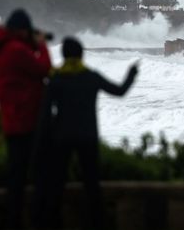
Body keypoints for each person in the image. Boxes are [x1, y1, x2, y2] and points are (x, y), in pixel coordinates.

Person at [37, 37, 138, 229]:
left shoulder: (55, 79)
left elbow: (44, 115)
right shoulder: (91, 77)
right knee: (92, 185)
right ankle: (97, 223)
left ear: (63, 54)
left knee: (56, 184)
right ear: (82, 54)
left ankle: (52, 224)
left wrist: (42, 142)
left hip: (61, 138)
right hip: (87, 137)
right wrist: (132, 74)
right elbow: (120, 91)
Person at [0, 8, 52, 229]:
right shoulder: (15, 50)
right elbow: (44, 69)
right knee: (39, 175)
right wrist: (42, 45)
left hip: (11, 118)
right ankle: (36, 221)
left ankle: (13, 220)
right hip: (28, 119)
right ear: (21, 31)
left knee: (16, 174)